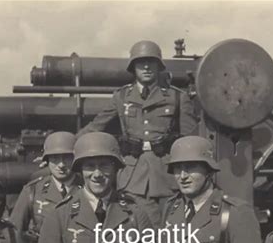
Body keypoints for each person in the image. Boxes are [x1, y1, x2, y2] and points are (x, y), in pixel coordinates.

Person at [36, 132, 165, 243]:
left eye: (104, 165)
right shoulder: (60, 216)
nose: (97, 174)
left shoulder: (135, 214)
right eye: (90, 166)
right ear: (80, 169)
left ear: (115, 168)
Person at [77, 40, 198, 228]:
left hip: (166, 176)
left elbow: (191, 140)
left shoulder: (177, 97)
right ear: (133, 67)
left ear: (159, 66)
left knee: (170, 230)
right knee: (137, 230)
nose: (147, 67)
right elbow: (96, 126)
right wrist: (64, 148)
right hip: (133, 177)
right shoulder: (122, 97)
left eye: (152, 62)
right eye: (141, 63)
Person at [160, 136, 262, 243]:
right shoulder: (170, 209)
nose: (183, 176)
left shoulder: (235, 212)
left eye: (191, 167)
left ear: (208, 170)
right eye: (178, 168)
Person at [10, 132, 81, 243]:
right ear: (47, 160)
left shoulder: (87, 189)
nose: (61, 164)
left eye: (67, 158)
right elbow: (14, 233)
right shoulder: (33, 191)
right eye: (55, 158)